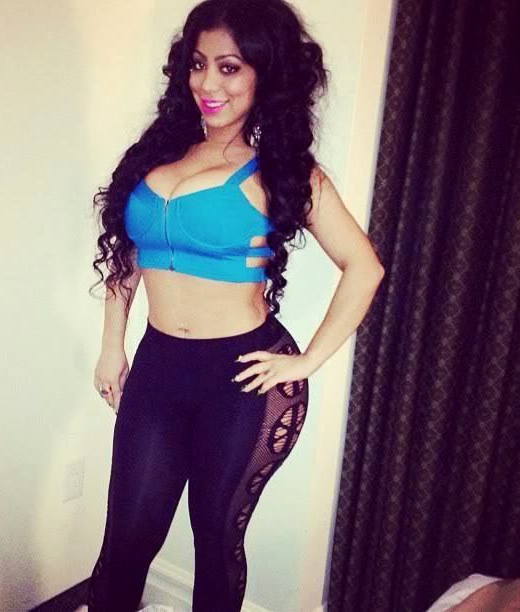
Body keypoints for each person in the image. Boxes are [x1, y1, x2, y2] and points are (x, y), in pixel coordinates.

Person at [87, 0, 384, 610]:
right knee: (126, 539)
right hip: (158, 367)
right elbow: (128, 255)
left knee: (216, 540)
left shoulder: (283, 171)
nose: (208, 84)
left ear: (263, 74)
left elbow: (365, 267)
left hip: (243, 380)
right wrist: (111, 345)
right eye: (199, 65)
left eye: (229, 68)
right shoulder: (156, 155)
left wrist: (307, 361)